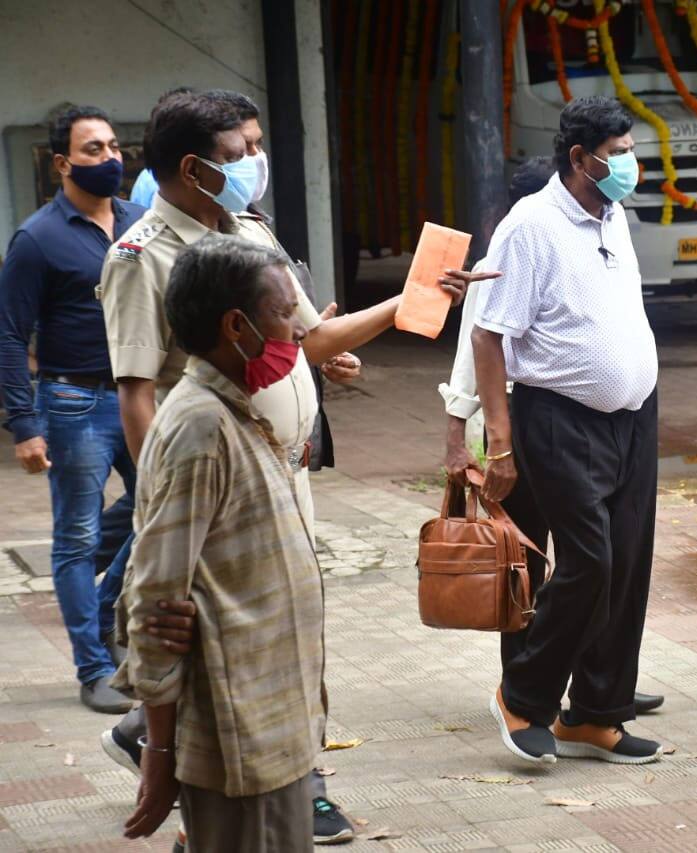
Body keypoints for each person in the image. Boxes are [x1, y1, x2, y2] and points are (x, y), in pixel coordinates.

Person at [97, 91, 488, 846]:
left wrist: (409, 299)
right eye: (241, 150)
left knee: (284, 619)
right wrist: (160, 506)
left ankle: (277, 768)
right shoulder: (142, 259)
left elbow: (304, 335)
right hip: (210, 484)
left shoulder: (250, 233)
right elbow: (139, 392)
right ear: (192, 166)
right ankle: (181, 748)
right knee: (213, 630)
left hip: (278, 469)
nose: (255, 163)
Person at [114, 233, 326, 850]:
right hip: (240, 735)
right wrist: (159, 752)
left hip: (273, 720)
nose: (296, 333)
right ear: (237, 325)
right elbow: (155, 599)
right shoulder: (201, 426)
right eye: (285, 315)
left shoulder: (236, 411)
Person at [473, 96, 662, 766]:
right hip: (558, 416)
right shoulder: (530, 226)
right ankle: (523, 695)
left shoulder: (613, 216)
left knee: (628, 564)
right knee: (591, 560)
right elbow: (489, 335)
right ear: (580, 159)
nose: (630, 165)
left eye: (631, 150)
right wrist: (498, 438)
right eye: (617, 155)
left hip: (635, 417)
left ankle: (598, 713)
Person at [0, 106, 142, 713]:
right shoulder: (38, 238)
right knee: (76, 536)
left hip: (142, 394)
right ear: (62, 163)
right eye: (92, 149)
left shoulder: (140, 222)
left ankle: (105, 609)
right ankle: (93, 667)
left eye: (113, 146)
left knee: (157, 509)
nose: (109, 158)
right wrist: (22, 424)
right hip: (72, 400)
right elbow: (8, 332)